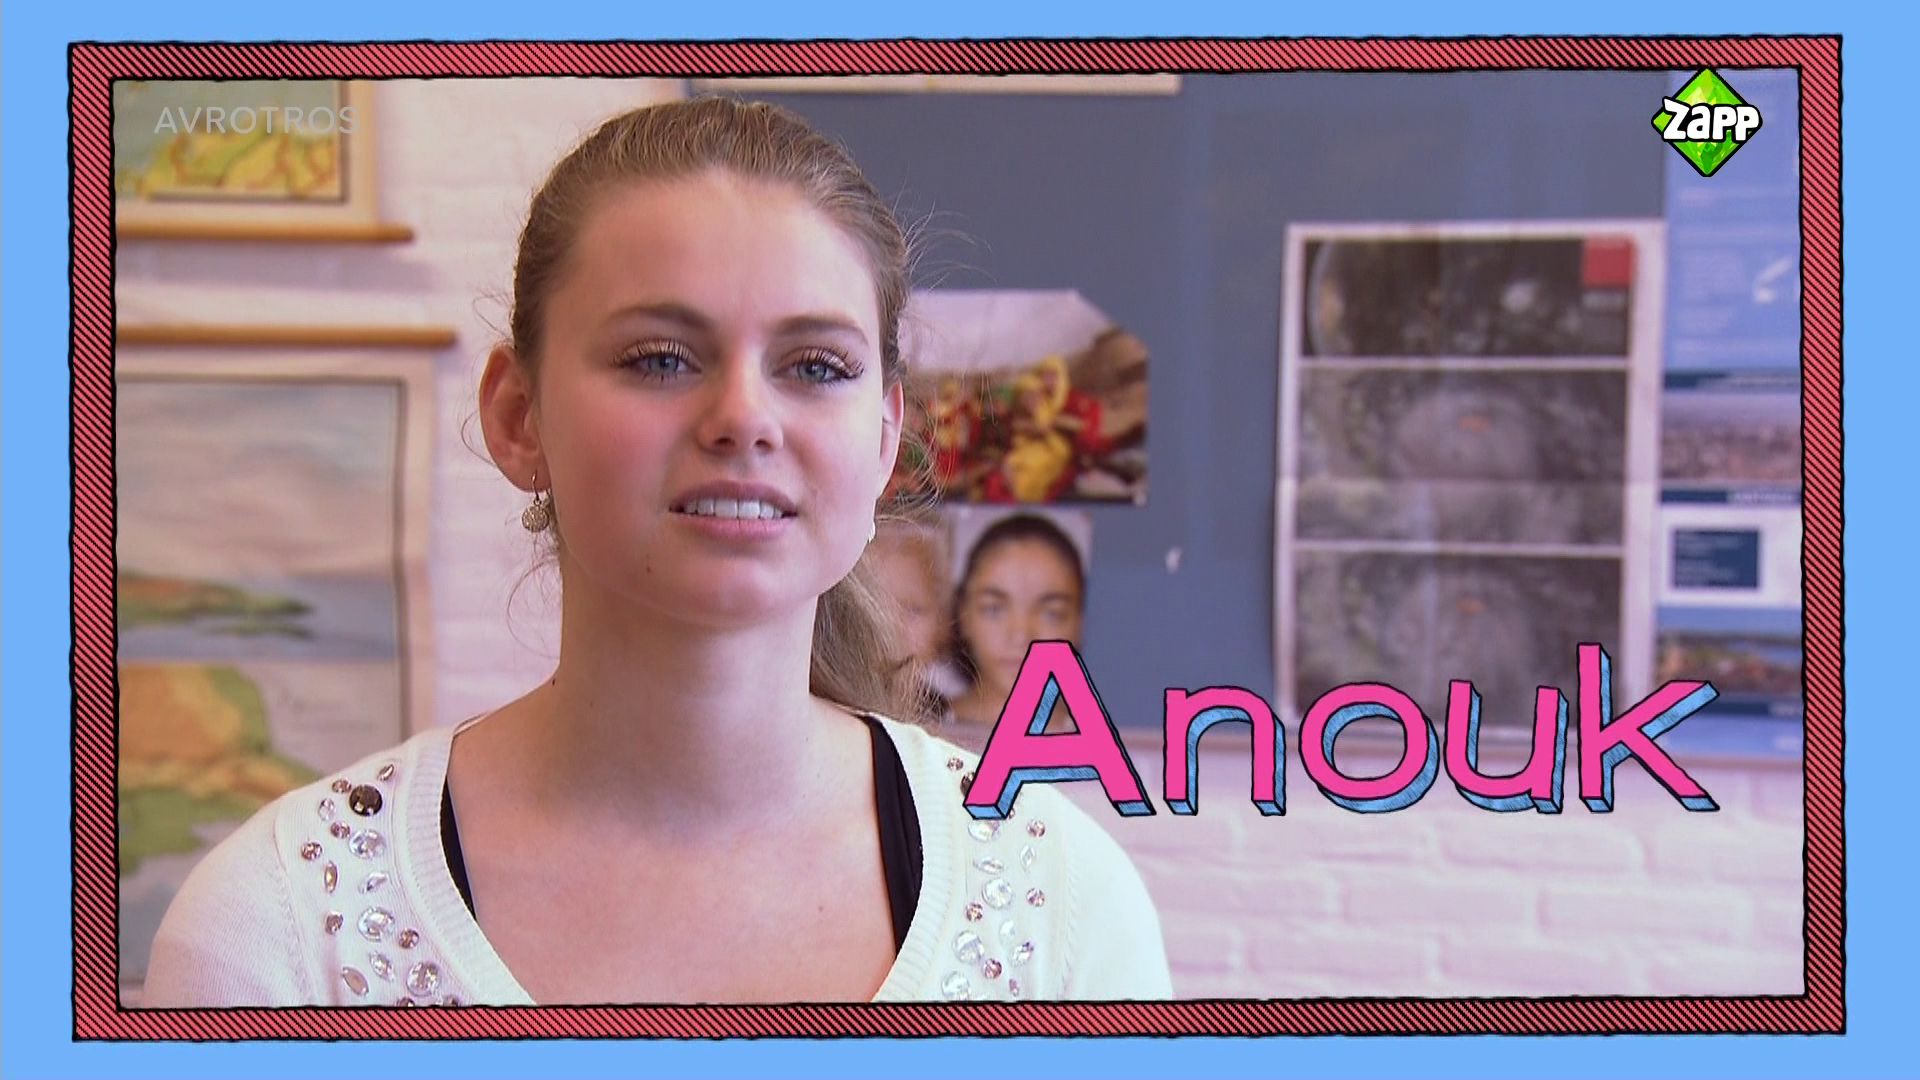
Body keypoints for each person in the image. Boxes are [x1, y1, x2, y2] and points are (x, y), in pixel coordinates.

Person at [139, 97, 1171, 1007]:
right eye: (661, 358)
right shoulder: (284, 929)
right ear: (519, 416)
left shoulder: (1059, 908)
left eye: (816, 365)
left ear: (885, 441)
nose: (744, 418)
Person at [944, 513, 1088, 748]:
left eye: (1051, 613)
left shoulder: (1116, 747)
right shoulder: (916, 736)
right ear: (963, 615)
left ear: (1080, 622)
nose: (1020, 636)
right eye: (993, 609)